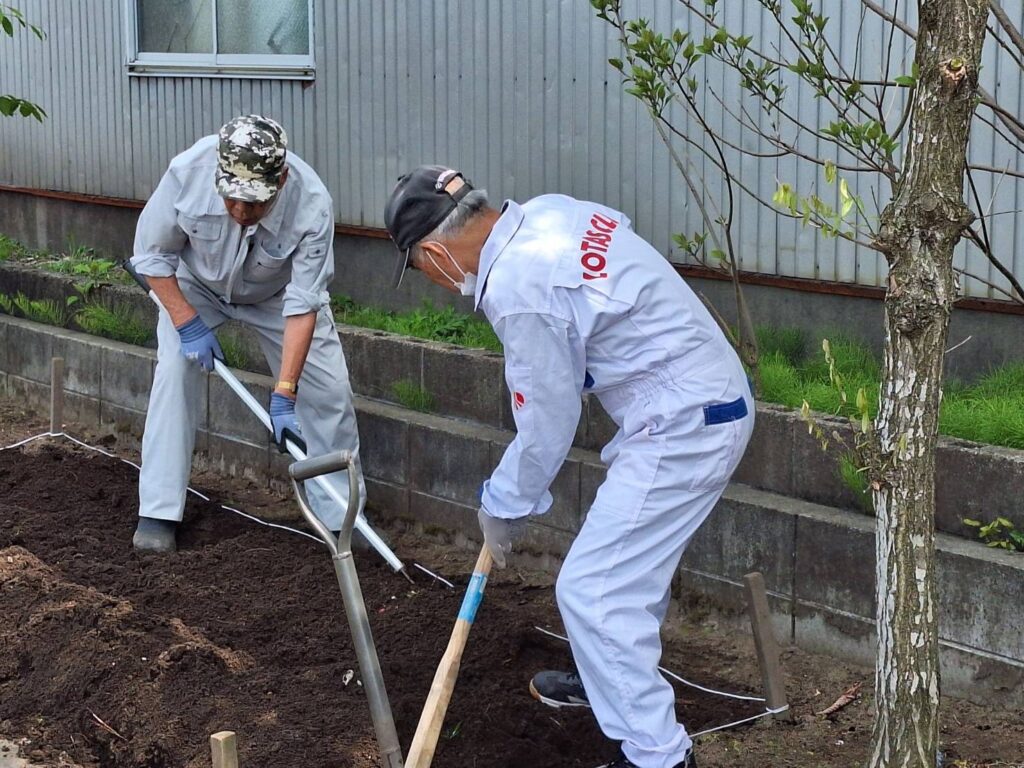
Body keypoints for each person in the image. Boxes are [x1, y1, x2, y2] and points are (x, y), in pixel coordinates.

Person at [383, 166, 755, 768]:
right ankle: (610, 680)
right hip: (696, 394)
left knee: (592, 590)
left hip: (687, 421)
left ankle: (657, 755)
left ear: (434, 252)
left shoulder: (520, 289)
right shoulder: (549, 213)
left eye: (419, 267)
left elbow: (547, 425)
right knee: (625, 575)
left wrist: (503, 505)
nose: (430, 279)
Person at [129, 114, 365, 553]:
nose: (239, 212)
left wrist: (285, 392)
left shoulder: (311, 204)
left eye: (254, 204)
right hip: (196, 286)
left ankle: (340, 522)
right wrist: (186, 322)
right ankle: (158, 512)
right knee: (174, 374)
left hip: (277, 294)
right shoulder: (188, 172)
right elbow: (150, 257)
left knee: (327, 392)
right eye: (231, 199)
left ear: (281, 180)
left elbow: (304, 303)